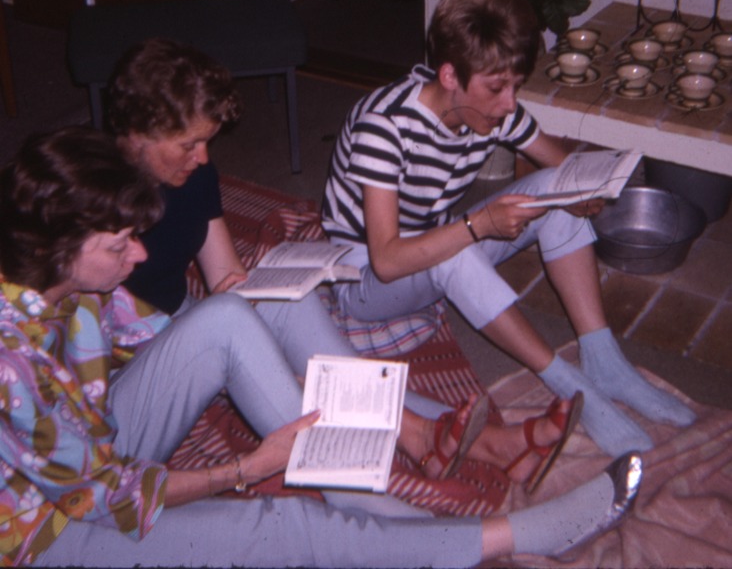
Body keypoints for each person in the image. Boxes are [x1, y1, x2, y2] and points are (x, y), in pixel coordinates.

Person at [0, 127, 642, 567]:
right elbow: (109, 498)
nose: (139, 256)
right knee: (282, 529)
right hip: (47, 532)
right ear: (59, 247)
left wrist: (277, 343)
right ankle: (506, 536)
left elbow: (178, 342)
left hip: (92, 442)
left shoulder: (72, 286)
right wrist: (246, 469)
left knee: (231, 316)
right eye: (119, 245)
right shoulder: (11, 365)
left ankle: (362, 487)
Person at [105, 37, 580, 489]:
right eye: (189, 145)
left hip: (189, 317)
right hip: (126, 353)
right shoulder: (90, 203)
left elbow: (224, 276)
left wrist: (263, 293)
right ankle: (470, 442)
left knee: (306, 332)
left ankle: (475, 442)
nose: (203, 157)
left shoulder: (196, 174)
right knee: (289, 372)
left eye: (206, 141)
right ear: (138, 133)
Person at [321, 0, 697, 460]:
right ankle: (569, 385)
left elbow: (561, 169)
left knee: (554, 192)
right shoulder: (384, 127)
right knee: (457, 248)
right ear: (449, 75)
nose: (508, 103)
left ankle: (603, 358)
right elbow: (388, 261)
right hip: (364, 279)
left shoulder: (494, 112)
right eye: (497, 88)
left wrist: (585, 192)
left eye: (515, 86)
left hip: (429, 246)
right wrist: (478, 225)